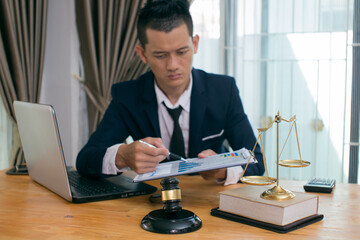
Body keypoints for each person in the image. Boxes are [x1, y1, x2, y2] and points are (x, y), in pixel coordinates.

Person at [76, 0, 264, 185]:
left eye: (182, 52)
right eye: (160, 55)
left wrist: (224, 169)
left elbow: (257, 159)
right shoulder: (127, 96)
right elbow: (85, 159)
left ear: (195, 44)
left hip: (208, 197)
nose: (173, 66)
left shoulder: (224, 90)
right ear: (142, 54)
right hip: (151, 200)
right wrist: (123, 156)